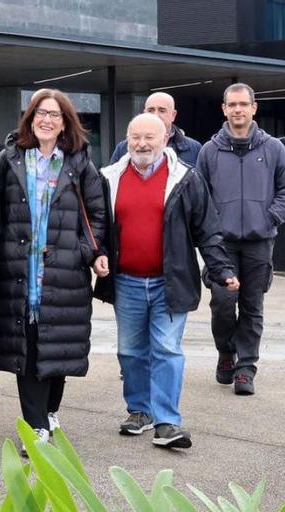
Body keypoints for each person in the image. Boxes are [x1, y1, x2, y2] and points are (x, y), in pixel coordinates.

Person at [98, 113, 237, 450]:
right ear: (126, 140)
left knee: (166, 349)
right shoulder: (108, 178)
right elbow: (97, 226)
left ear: (164, 140)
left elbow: (208, 230)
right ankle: (139, 411)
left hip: (169, 282)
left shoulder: (186, 179)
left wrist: (222, 270)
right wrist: (97, 253)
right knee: (131, 351)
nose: (142, 144)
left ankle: (167, 422)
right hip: (126, 281)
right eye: (135, 137)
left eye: (149, 137)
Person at [0, 89, 108, 453]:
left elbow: (97, 215)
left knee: (57, 349)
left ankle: (50, 410)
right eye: (40, 113)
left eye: (55, 115)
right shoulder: (9, 160)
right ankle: (35, 425)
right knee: (28, 346)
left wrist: (84, 252)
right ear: (29, 118)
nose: (47, 120)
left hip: (64, 272)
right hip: (19, 271)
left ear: (65, 123)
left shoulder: (79, 164)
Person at [195, 83, 285, 396]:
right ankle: (227, 353)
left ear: (254, 108)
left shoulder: (274, 149)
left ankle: (246, 367)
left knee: (253, 306)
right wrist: (209, 230)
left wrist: (270, 218)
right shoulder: (209, 151)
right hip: (221, 244)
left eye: (243, 104)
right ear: (224, 109)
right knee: (222, 304)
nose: (237, 110)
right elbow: (201, 195)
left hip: (258, 242)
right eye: (232, 104)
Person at [108, 92, 201, 165]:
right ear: (144, 112)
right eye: (150, 110)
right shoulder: (123, 148)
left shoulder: (194, 148)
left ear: (173, 115)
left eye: (162, 110)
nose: (155, 115)